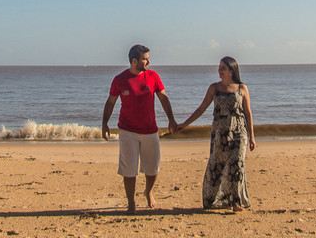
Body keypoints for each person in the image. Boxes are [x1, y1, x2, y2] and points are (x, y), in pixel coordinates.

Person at [101, 44, 178, 214]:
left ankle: (148, 192)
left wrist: (171, 119)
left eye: (148, 58)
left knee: (152, 169)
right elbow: (110, 102)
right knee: (129, 170)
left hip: (150, 130)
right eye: (145, 58)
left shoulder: (153, 76)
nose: (148, 61)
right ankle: (131, 202)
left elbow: (163, 98)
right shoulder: (120, 79)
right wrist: (104, 123)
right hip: (127, 131)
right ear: (134, 60)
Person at [175, 56, 256, 211]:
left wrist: (252, 136)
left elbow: (248, 113)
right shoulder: (214, 88)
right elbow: (201, 109)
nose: (219, 71)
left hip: (239, 131)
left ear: (231, 71)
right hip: (220, 132)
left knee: (237, 164)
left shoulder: (242, 88)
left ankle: (236, 202)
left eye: (223, 68)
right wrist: (185, 124)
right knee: (217, 165)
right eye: (219, 68)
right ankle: (212, 198)